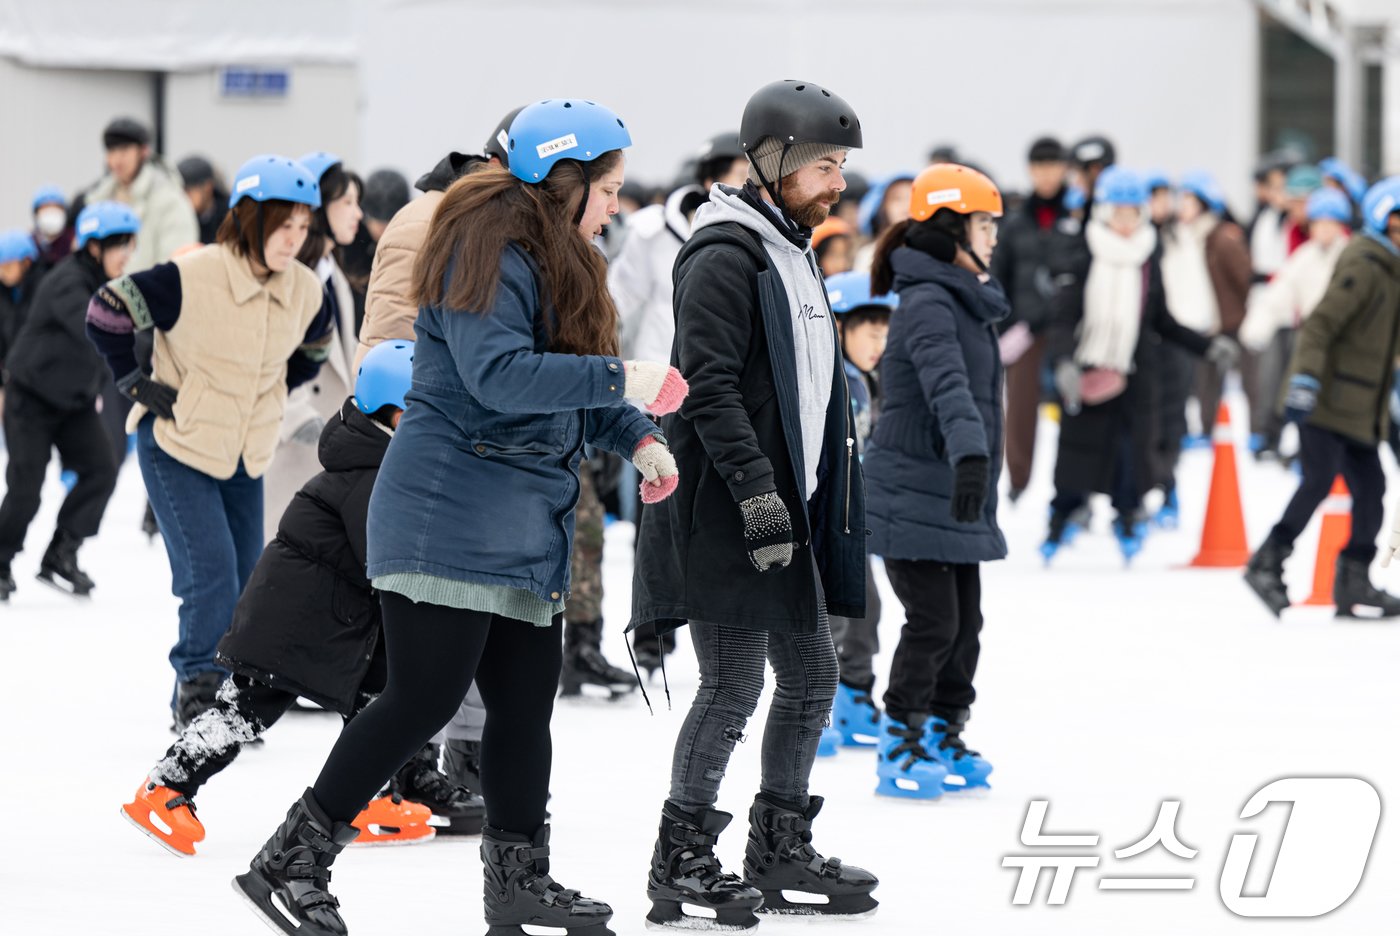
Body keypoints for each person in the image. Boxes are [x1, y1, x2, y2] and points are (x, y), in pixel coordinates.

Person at [234, 99, 683, 936]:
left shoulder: (564, 258)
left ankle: (518, 879)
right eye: (608, 187)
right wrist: (625, 381)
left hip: (520, 519)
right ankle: (289, 858)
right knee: (420, 697)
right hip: (446, 511)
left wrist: (638, 437)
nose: (617, 202)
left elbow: (572, 377)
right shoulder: (485, 247)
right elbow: (502, 376)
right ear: (562, 177)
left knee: (523, 707)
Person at [631, 78, 877, 929]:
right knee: (733, 682)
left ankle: (776, 846)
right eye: (822, 165)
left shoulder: (792, 249)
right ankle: (680, 857)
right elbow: (708, 391)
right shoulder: (724, 255)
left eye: (841, 165)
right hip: (729, 505)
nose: (838, 182)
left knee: (812, 676)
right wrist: (757, 494)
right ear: (772, 164)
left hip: (787, 503)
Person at [120, 341, 483, 856]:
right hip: (287, 627)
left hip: (330, 623)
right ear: (394, 414)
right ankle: (166, 787)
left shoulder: (381, 462)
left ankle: (375, 796)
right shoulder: (369, 476)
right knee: (247, 710)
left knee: (377, 698)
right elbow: (389, 556)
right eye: (427, 416)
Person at [86, 155, 331, 731]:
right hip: (177, 444)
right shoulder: (191, 275)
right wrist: (133, 380)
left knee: (248, 577)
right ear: (249, 219)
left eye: (302, 228)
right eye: (282, 226)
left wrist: (271, 392)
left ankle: (231, 691)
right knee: (211, 574)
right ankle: (197, 693)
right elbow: (107, 310)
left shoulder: (302, 289)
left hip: (244, 453)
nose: (294, 241)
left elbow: (315, 345)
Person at [352, 106, 523, 788]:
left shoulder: (501, 224)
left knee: (482, 603)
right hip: (424, 434)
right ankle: (411, 764)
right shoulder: (429, 220)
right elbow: (394, 336)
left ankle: (466, 756)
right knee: (423, 612)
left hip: (481, 442)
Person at [857, 164, 1007, 802]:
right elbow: (948, 385)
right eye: (984, 224)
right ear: (952, 228)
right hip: (912, 488)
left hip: (950, 487)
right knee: (933, 622)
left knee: (965, 621)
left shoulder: (962, 298)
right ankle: (902, 738)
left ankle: (947, 727)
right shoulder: (926, 302)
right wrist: (973, 455)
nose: (994, 238)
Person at [609, 130, 749, 680]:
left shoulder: (748, 229)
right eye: (739, 170)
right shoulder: (649, 232)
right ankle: (652, 631)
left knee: (713, 510)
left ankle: (723, 632)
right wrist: (622, 383)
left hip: (716, 388)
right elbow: (620, 307)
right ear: (711, 173)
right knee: (659, 515)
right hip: (658, 390)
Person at [1043, 167, 1236, 563]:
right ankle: (1061, 517)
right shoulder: (1083, 251)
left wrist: (1206, 346)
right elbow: (1063, 316)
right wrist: (1064, 363)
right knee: (1076, 452)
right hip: (1087, 370)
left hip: (1135, 373)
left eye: (1133, 213)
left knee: (1132, 452)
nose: (1127, 222)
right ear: (1103, 211)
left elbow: (1160, 318)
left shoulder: (1149, 253)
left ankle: (1128, 516)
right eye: (1119, 213)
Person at [1245, 176, 1400, 619]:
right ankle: (1267, 563)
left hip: (1360, 406)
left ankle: (1354, 581)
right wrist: (1305, 381)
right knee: (1317, 481)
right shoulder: (1366, 264)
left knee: (1372, 487)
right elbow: (1320, 325)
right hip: (1328, 400)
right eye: (1395, 224)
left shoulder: (1391, 270)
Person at [0, 204, 137, 601]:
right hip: (31, 399)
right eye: (119, 247)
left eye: (129, 246)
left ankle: (62, 552)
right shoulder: (69, 282)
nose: (126, 255)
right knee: (26, 486)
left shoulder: (111, 282)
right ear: (94, 248)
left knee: (102, 469)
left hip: (73, 402)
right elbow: (97, 327)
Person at [262, 152, 364, 533]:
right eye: (346, 202)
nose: (356, 213)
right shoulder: (290, 276)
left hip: (325, 440)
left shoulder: (332, 273)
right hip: (289, 439)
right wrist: (295, 416)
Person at [818, 270, 894, 754]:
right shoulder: (828, 381)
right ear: (839, 327)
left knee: (868, 609)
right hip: (827, 519)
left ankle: (854, 697)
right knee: (833, 617)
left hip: (855, 519)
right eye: (869, 332)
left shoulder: (866, 380)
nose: (878, 343)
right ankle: (817, 704)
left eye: (884, 333)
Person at [989, 136, 1074, 504]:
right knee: (1021, 409)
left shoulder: (1078, 215)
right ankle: (1019, 479)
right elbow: (998, 276)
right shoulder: (1015, 223)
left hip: (1070, 328)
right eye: (1039, 166)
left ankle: (1072, 490)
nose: (1046, 173)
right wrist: (1007, 325)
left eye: (1053, 165)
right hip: (1025, 330)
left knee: (1075, 404)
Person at [1239, 188, 1352, 461]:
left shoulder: (1352, 256)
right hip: (1311, 341)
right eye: (1319, 223)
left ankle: (1336, 455)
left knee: (1339, 403)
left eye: (1330, 223)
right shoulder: (1304, 257)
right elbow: (1279, 294)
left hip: (1347, 343)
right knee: (1302, 397)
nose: (1324, 230)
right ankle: (1304, 452)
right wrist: (1256, 328)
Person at [84, 117, 199, 273]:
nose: (117, 159)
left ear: (143, 151)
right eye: (111, 151)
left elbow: (176, 264)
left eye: (124, 150)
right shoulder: (98, 200)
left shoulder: (169, 200)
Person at [0, 229, 44, 394]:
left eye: (7, 266)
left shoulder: (44, 288)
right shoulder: (4, 293)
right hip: (13, 377)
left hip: (43, 375)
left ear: (26, 262)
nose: (2, 273)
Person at [177, 155, 230, 245]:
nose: (183, 197)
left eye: (188, 190)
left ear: (207, 187)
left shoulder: (230, 217)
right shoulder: (176, 219)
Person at [31, 185, 73, 272]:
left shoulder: (74, 240)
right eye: (45, 207)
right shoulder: (30, 244)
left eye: (56, 207)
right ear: (36, 213)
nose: (51, 212)